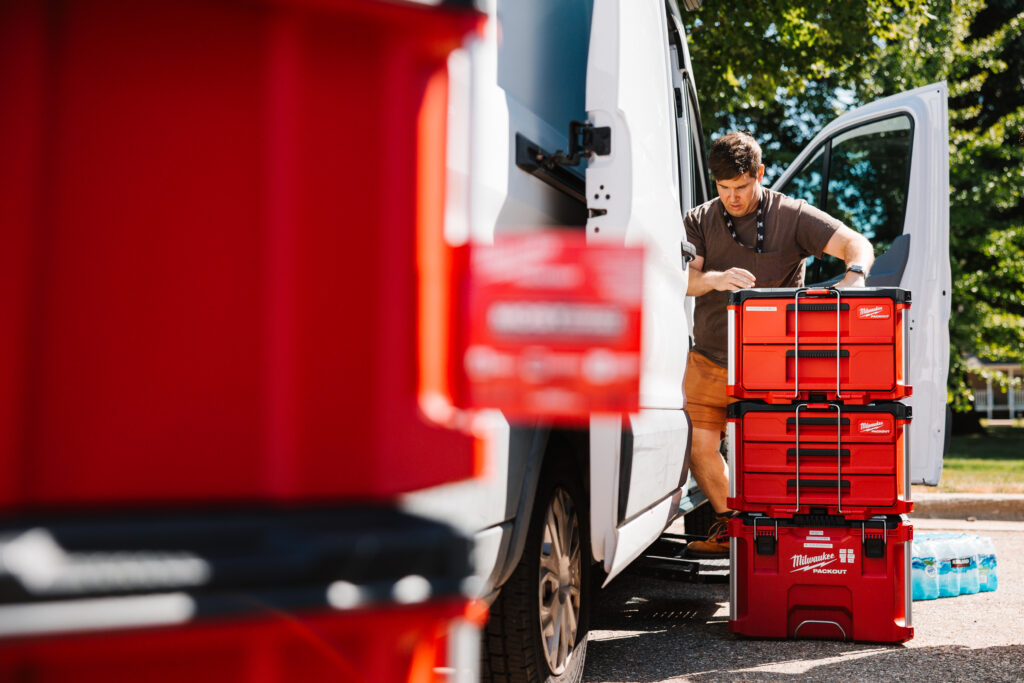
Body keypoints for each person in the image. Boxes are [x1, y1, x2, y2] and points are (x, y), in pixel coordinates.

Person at [683, 131, 874, 558]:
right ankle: (738, 529)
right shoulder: (699, 218)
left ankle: (784, 539)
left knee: (775, 455)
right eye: (724, 188)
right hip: (709, 359)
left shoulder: (792, 215)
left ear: (760, 174)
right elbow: (686, 279)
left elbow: (856, 243)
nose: (732, 197)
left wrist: (855, 276)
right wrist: (713, 279)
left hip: (775, 364)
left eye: (742, 186)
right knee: (698, 447)